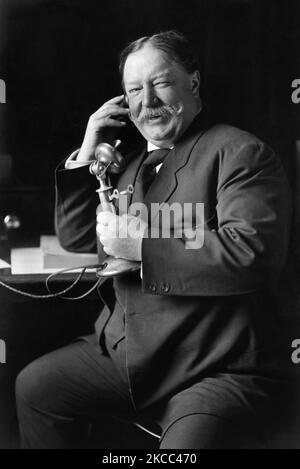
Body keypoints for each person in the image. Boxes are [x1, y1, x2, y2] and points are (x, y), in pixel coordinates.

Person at [15, 30, 297, 449]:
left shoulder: (239, 152)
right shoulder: (131, 165)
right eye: (133, 90)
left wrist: (142, 248)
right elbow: (77, 237)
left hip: (213, 365)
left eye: (160, 83)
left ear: (193, 83)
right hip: (131, 354)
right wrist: (87, 151)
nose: (146, 101)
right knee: (36, 387)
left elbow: (250, 253)